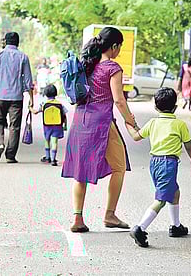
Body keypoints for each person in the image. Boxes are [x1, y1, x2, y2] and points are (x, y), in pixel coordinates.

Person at [62, 27, 137, 233]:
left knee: (80, 171)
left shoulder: (86, 65)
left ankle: (77, 218)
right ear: (113, 46)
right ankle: (110, 214)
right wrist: (131, 121)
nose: (119, 51)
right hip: (102, 123)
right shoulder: (112, 67)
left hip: (81, 121)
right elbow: (119, 101)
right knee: (119, 166)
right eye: (119, 46)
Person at [125, 87, 191, 247]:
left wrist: (129, 124)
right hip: (168, 164)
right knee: (161, 199)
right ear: (175, 107)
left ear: (155, 107)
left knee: (174, 193)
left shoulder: (153, 123)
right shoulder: (179, 124)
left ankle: (176, 226)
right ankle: (140, 228)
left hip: (155, 163)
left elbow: (136, 135)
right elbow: (188, 146)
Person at [0, 32, 34, 163]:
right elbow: (28, 81)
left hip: (0, 95)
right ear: (18, 42)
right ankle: (10, 155)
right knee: (14, 126)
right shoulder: (23, 57)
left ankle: (0, 143)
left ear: (5, 42)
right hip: (17, 97)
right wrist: (32, 100)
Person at [29, 84, 68, 167]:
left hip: (47, 126)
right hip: (57, 125)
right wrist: (65, 125)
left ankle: (47, 157)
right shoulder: (60, 104)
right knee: (54, 142)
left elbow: (35, 112)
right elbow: (64, 115)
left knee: (47, 140)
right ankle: (54, 159)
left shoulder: (44, 103)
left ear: (45, 94)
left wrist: (30, 108)